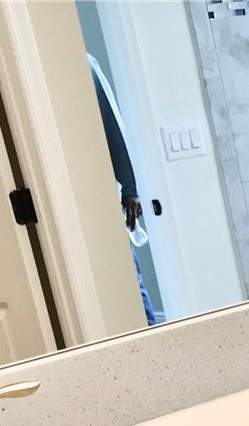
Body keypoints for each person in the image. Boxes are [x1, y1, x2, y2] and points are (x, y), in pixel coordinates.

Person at [88, 53, 155, 325]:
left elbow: (111, 124)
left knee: (128, 280)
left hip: (103, 195)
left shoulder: (81, 64)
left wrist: (130, 188)